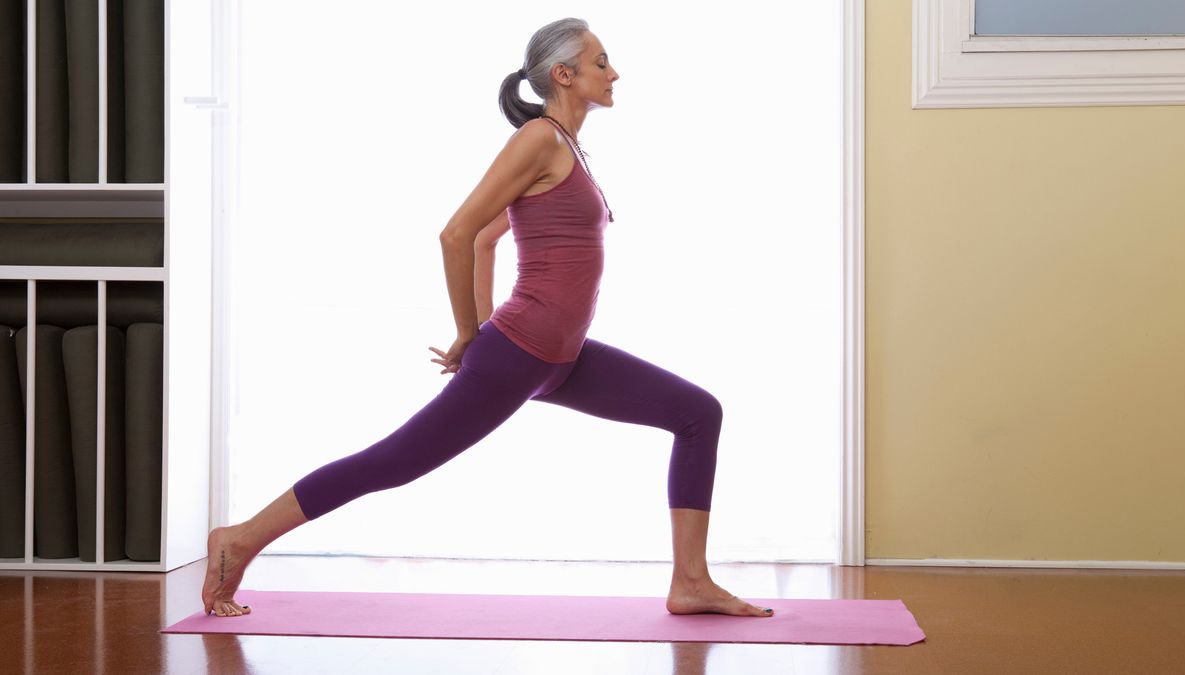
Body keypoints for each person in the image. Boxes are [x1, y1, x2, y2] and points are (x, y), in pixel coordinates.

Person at [201, 17, 773, 620]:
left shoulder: (569, 149)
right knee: (392, 463)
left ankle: (689, 580)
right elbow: (456, 233)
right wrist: (472, 334)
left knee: (696, 413)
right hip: (519, 352)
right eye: (602, 61)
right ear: (564, 74)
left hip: (562, 359)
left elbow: (487, 241)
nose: (614, 72)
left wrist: (478, 327)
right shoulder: (539, 140)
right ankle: (238, 540)